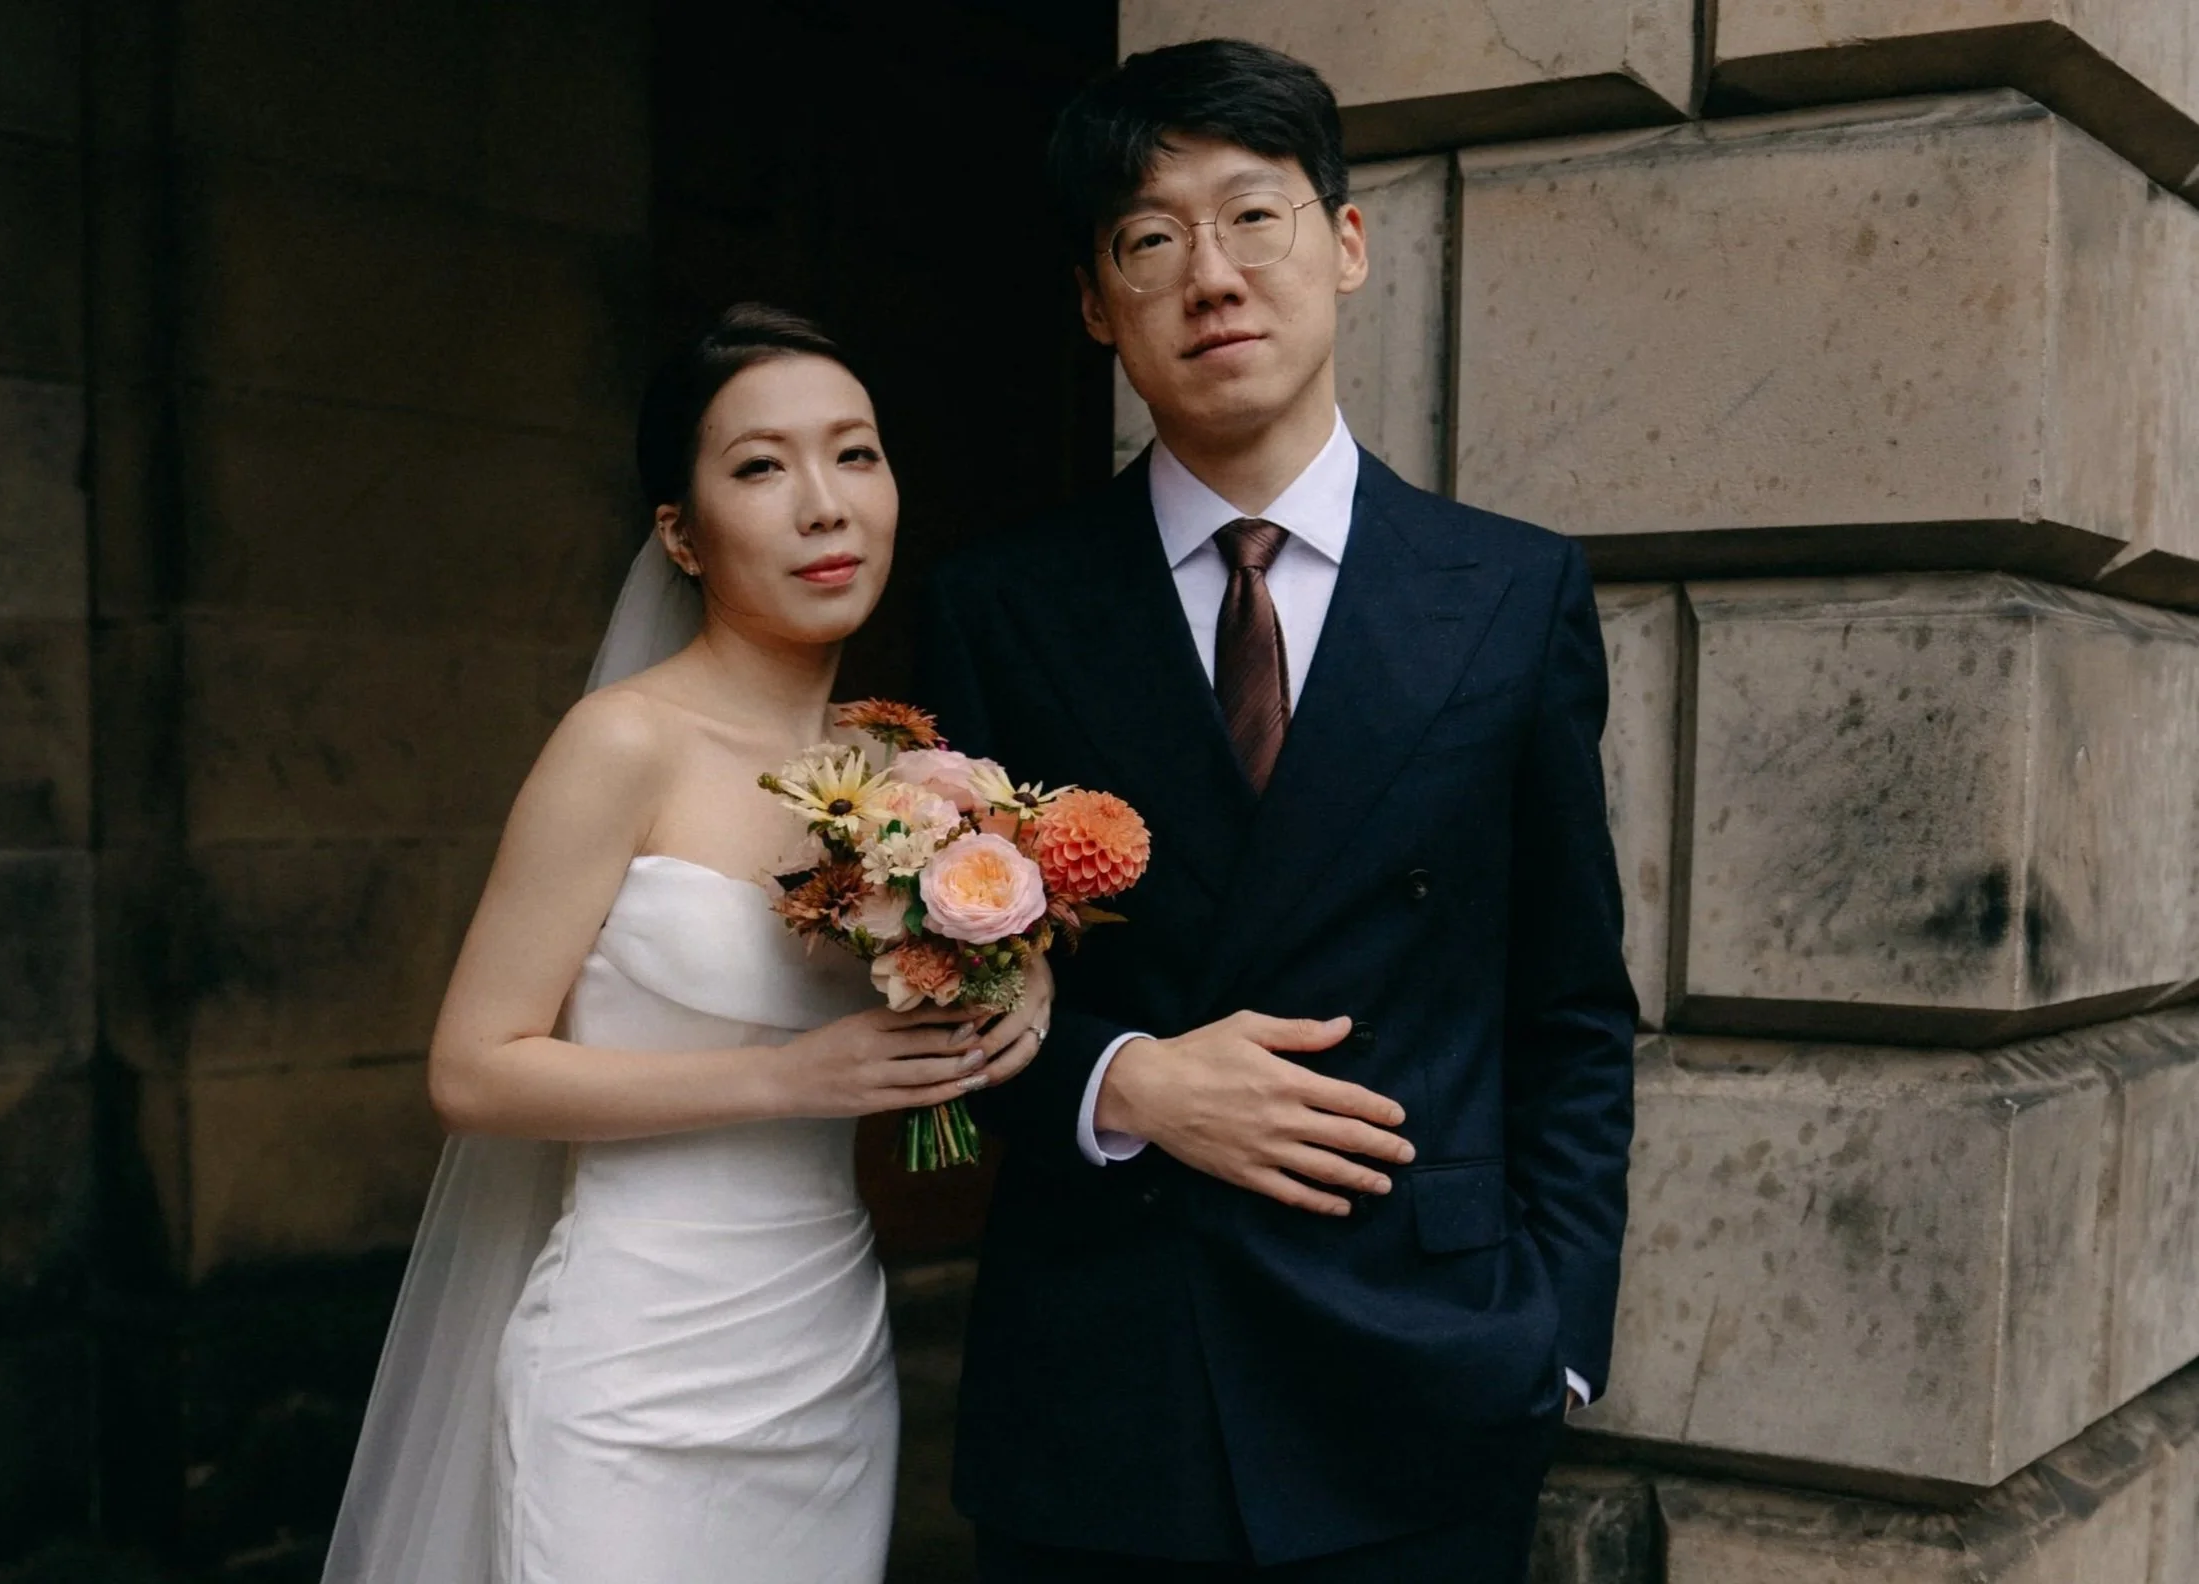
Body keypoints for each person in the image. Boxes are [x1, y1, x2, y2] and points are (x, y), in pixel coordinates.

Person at [919, 39, 1638, 1582]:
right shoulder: (1003, 606)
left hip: (1424, 1381)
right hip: (1114, 1392)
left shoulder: (1511, 592)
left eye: (1255, 216)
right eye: (1149, 238)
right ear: (1096, 304)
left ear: (1347, 244)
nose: (1212, 275)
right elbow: (931, 1015)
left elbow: (1569, 1005)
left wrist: (1556, 1340)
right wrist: (1123, 1088)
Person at [321, 304, 1049, 1584]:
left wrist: (1013, 973)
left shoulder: (899, 775)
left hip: (824, 1353)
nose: (825, 506)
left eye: (856, 454)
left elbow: (939, 1011)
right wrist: (786, 1077)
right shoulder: (621, 745)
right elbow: (474, 1071)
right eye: (762, 467)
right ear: (681, 533)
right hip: (633, 1373)